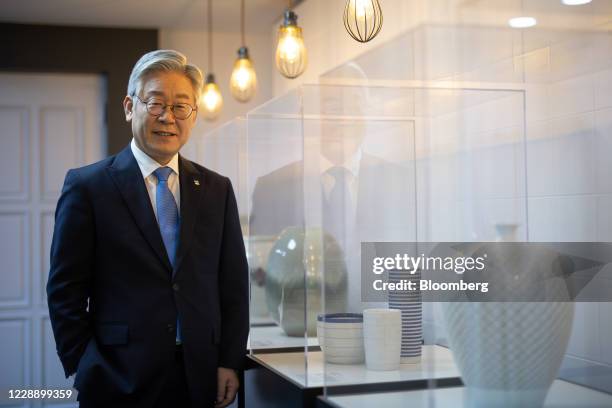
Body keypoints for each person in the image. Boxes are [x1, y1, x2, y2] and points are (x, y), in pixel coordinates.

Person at [46, 49, 249, 408]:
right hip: (117, 378)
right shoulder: (88, 187)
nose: (167, 117)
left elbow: (232, 284)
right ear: (129, 107)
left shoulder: (217, 189)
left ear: (193, 115)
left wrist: (228, 360)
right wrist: (85, 364)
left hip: (200, 376)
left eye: (180, 106)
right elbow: (65, 291)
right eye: (155, 103)